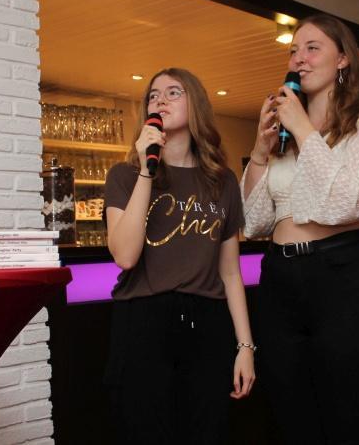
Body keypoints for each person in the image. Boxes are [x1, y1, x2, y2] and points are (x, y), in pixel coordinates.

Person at [241, 14, 359, 445]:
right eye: (293, 50)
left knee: (350, 415)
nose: (299, 59)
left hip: (342, 276)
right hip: (278, 280)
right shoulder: (285, 136)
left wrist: (304, 128)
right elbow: (253, 222)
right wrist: (260, 152)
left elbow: (353, 202)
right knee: (290, 415)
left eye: (312, 48)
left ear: (343, 58)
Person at [104, 67, 256, 445]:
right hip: (143, 320)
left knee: (208, 431)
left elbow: (230, 273)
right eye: (153, 95)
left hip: (208, 322)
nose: (160, 100)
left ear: (196, 105)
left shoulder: (222, 180)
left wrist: (245, 347)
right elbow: (125, 256)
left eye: (173, 92)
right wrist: (146, 170)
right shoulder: (124, 175)